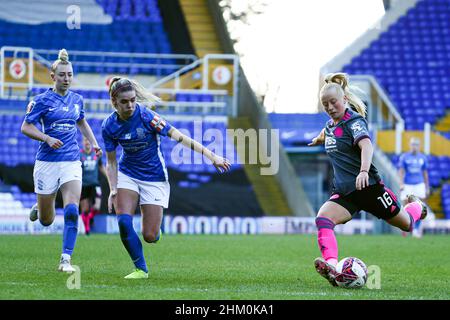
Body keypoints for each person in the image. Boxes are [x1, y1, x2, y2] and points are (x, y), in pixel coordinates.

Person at [102, 77, 231, 279]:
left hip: (154, 177)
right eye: (124, 102)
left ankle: (156, 230)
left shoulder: (147, 116)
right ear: (114, 102)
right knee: (124, 222)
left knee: (150, 236)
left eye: (133, 100)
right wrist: (112, 189)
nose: (130, 105)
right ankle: (141, 269)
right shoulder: (109, 126)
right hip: (127, 174)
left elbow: (180, 136)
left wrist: (211, 156)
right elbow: (111, 162)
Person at [308, 73, 427, 287]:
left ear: (344, 100)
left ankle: (417, 206)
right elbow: (330, 132)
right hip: (346, 193)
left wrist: (363, 171)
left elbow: (366, 145)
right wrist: (319, 138)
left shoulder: (354, 121)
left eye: (333, 102)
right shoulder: (329, 126)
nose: (330, 107)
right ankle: (333, 268)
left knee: (407, 224)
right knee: (323, 219)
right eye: (325, 104)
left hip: (370, 189)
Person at [21, 49, 102, 272]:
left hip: (71, 161)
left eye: (69, 75)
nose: (66, 79)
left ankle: (66, 259)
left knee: (71, 209)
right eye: (62, 75)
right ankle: (42, 205)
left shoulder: (78, 100)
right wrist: (47, 138)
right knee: (46, 220)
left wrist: (94, 142)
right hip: (47, 162)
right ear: (53, 76)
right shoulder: (41, 100)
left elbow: (82, 122)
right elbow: (26, 127)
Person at [398, 137, 430, 238]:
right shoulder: (405, 157)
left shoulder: (423, 158)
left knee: (420, 207)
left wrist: (427, 186)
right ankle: (405, 227)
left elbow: (425, 173)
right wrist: (401, 183)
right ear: (410, 145)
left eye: (416, 144)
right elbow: (401, 171)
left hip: (419, 184)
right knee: (404, 206)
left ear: (419, 146)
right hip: (407, 184)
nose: (414, 146)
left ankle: (416, 229)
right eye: (413, 144)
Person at [80, 135, 107, 235]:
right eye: (85, 140)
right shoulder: (80, 155)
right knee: (85, 209)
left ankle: (90, 218)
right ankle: (87, 229)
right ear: (83, 143)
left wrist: (108, 178)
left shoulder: (96, 155)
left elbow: (101, 167)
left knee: (97, 207)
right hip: (84, 185)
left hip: (95, 184)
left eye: (88, 140)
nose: (87, 142)